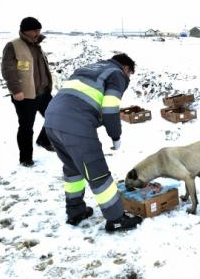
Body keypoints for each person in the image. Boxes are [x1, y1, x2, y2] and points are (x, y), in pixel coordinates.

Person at [44, 53, 142, 232]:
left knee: (73, 168)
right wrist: (116, 136)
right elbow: (110, 108)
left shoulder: (88, 69)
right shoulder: (117, 74)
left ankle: (75, 211)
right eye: (130, 74)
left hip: (51, 119)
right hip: (75, 123)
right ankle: (116, 219)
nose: (128, 78)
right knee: (97, 171)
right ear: (126, 68)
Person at [1, 17, 55, 167]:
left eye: (39, 30)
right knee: (26, 127)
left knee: (55, 117)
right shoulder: (13, 46)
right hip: (25, 95)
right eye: (35, 30)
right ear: (25, 30)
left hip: (43, 92)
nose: (38, 32)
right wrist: (15, 90)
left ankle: (44, 140)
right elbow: (8, 70)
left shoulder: (37, 45)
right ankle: (25, 158)